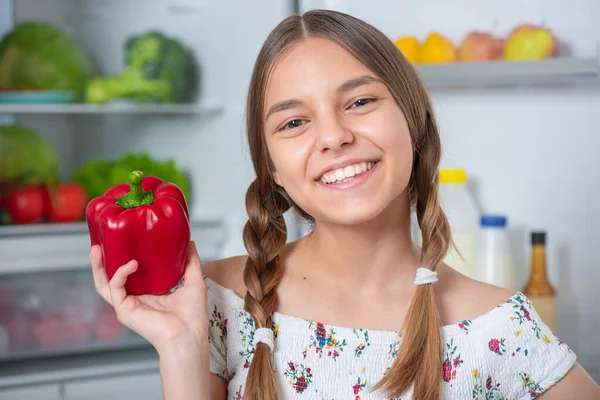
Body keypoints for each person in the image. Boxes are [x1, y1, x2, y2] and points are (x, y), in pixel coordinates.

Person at [89, 9, 600, 400]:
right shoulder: (217, 304)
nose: (333, 137)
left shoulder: (500, 331)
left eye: (359, 102)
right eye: (293, 122)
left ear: (415, 121)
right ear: (271, 167)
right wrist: (180, 349)